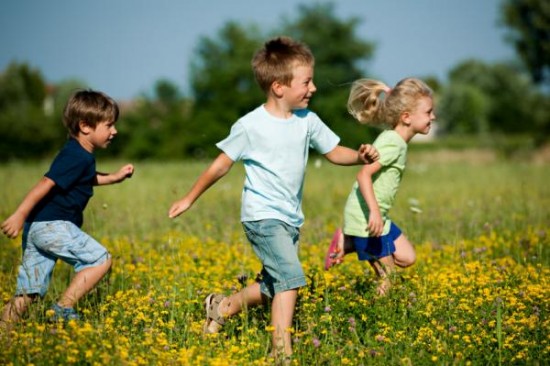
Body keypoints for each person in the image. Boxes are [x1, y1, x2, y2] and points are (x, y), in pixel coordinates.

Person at [168, 36, 378, 359]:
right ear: (279, 86)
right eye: (306, 82)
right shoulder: (251, 125)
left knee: (274, 288)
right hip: (262, 217)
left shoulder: (307, 121)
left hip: (290, 219)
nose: (314, 88)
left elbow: (335, 152)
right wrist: (189, 198)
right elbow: (221, 165)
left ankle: (221, 308)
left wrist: (360, 157)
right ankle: (281, 353)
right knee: (291, 279)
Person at [1, 90, 134, 328]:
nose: (115, 131)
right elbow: (46, 183)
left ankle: (4, 331)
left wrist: (114, 177)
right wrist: (19, 214)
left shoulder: (78, 156)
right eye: (110, 125)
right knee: (100, 260)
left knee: (29, 291)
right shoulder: (76, 156)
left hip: (38, 227)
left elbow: (83, 179)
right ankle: (63, 308)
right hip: (53, 225)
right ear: (85, 126)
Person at [324, 77, 435, 296]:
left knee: (407, 258)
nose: (433, 116)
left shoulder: (398, 142)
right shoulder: (392, 142)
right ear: (406, 117)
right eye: (428, 112)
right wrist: (374, 213)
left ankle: (348, 243)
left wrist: (377, 213)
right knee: (388, 277)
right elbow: (363, 174)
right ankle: (374, 324)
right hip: (368, 217)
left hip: (378, 216)